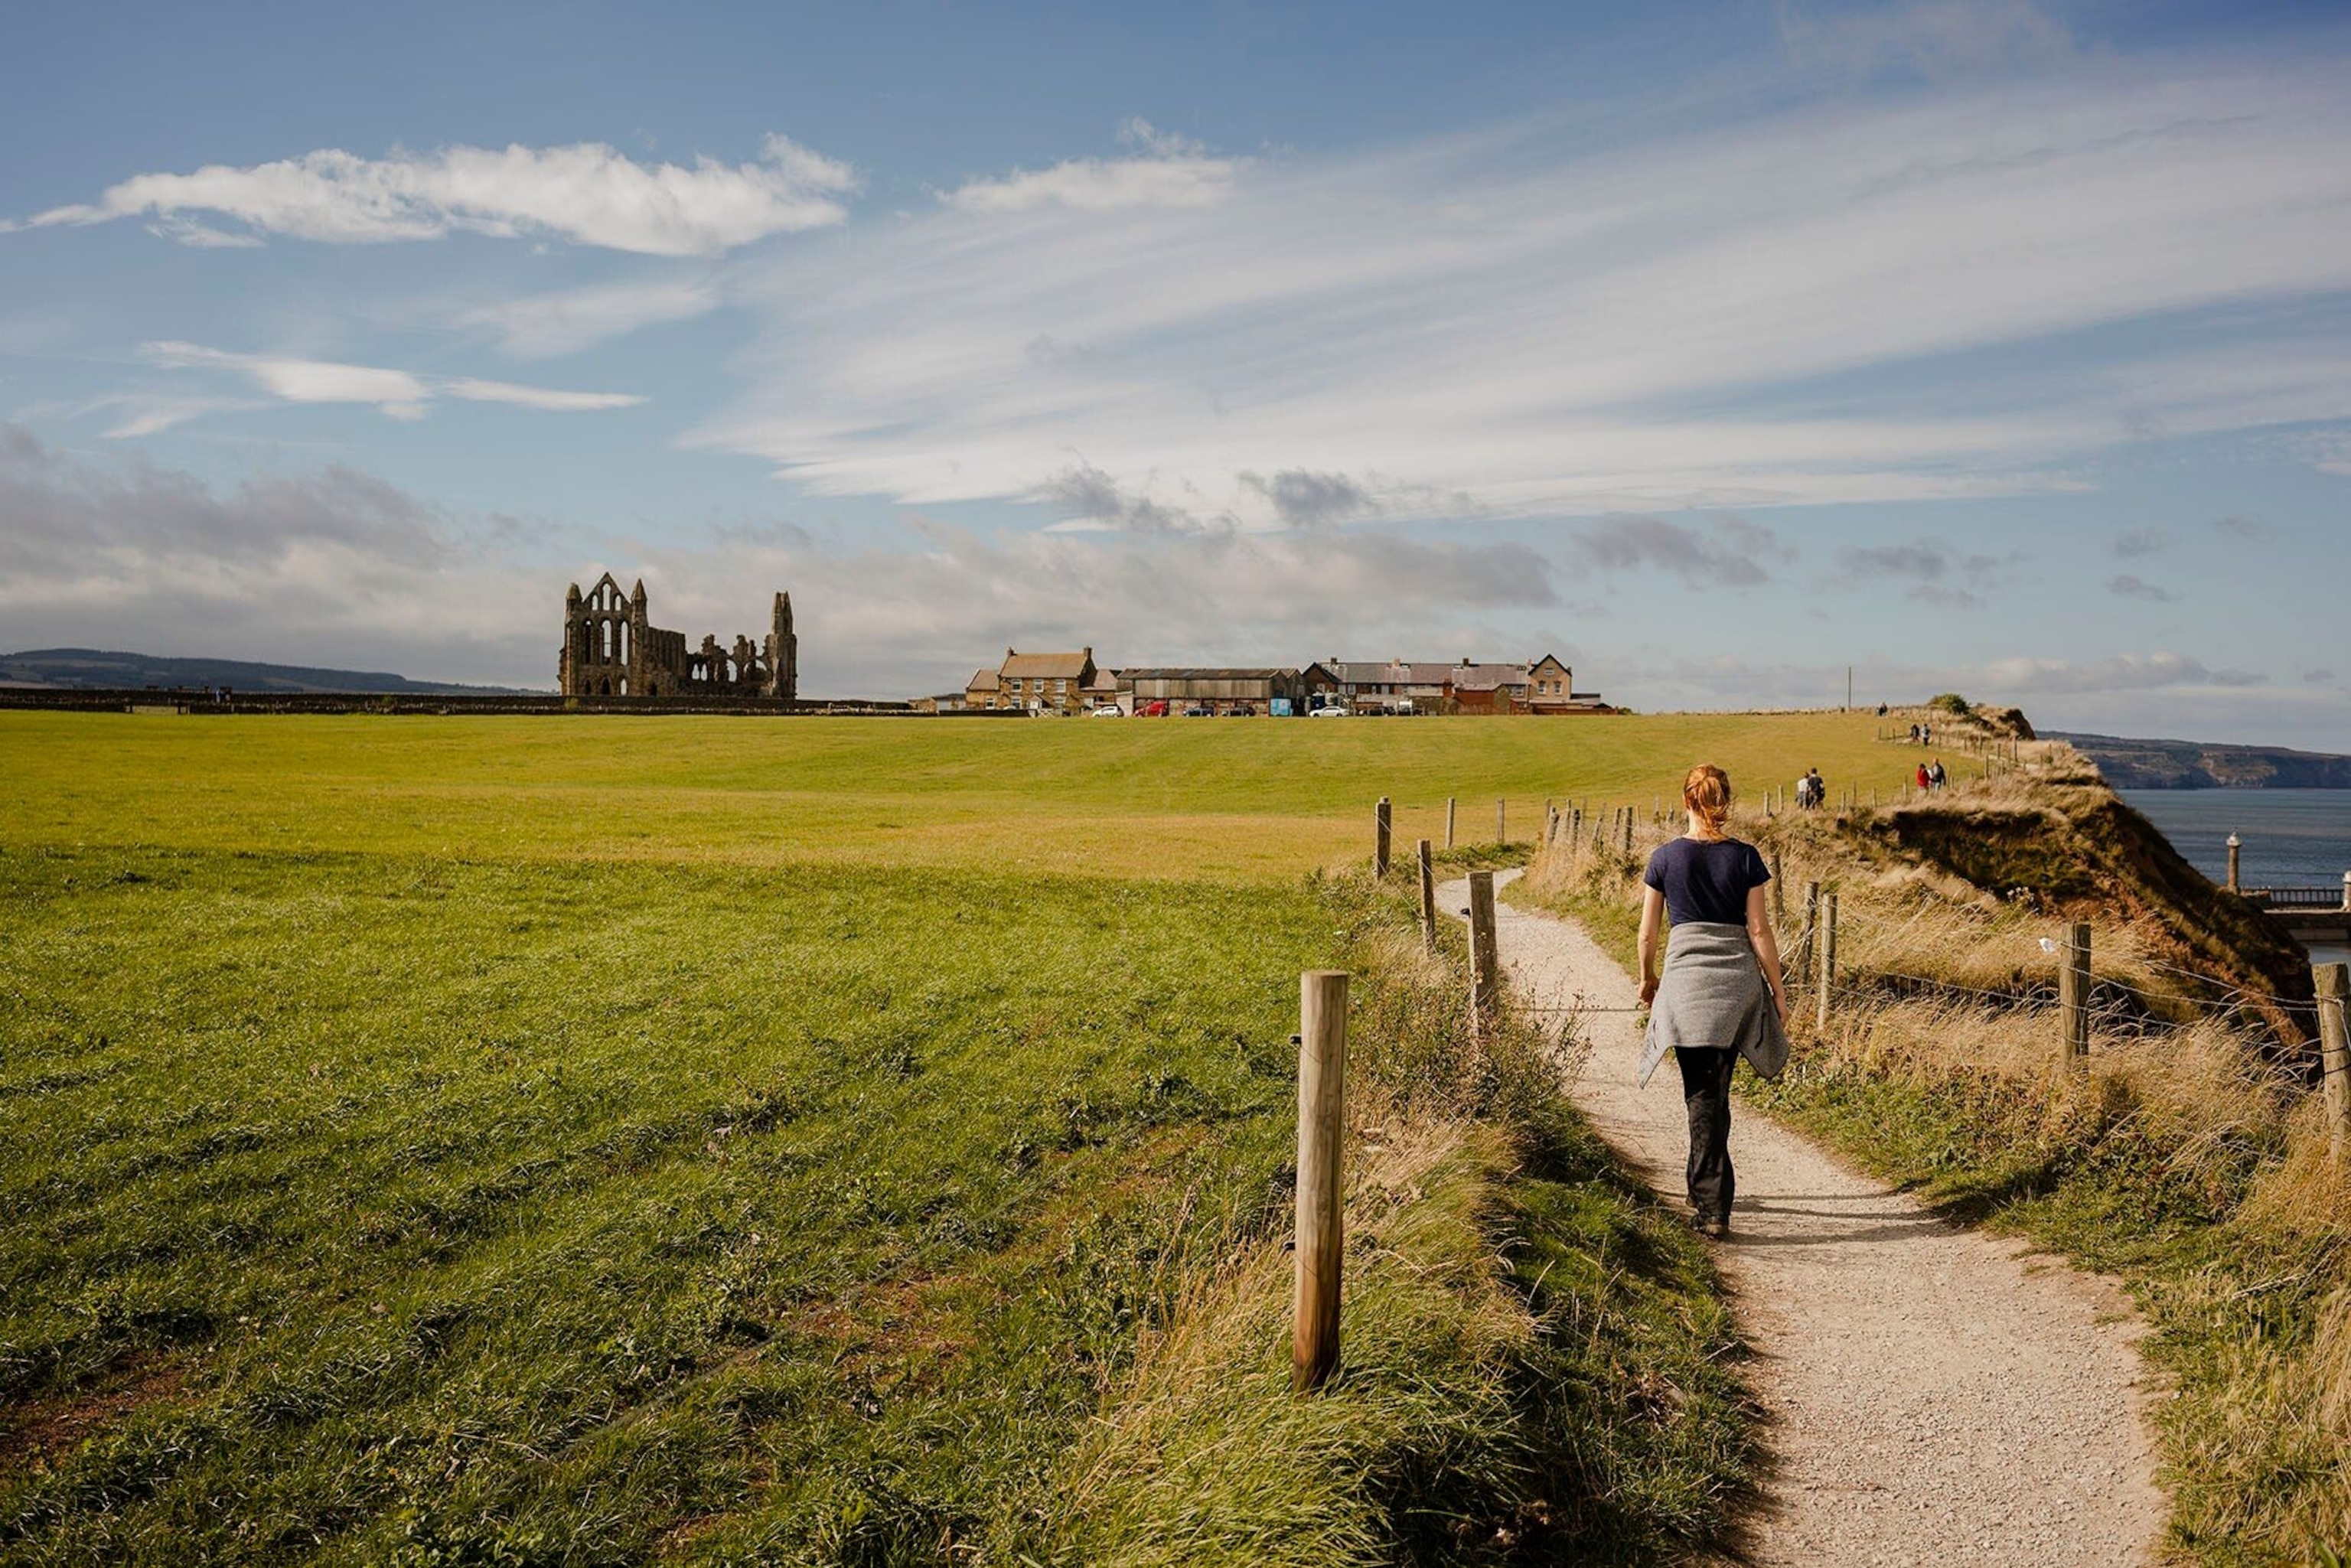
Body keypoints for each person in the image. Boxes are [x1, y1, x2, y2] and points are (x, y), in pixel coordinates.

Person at [1635, 764, 1791, 1238]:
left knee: (1701, 1095)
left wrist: (1648, 980)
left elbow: (1647, 933)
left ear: (1685, 801)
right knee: (1714, 1093)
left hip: (1685, 988)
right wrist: (1777, 990)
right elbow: (1760, 930)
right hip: (1736, 988)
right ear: (1726, 800)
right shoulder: (1746, 858)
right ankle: (1705, 1190)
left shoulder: (1663, 858)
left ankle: (1712, 1208)